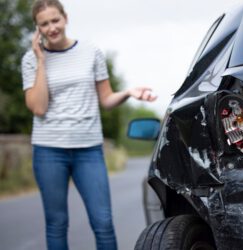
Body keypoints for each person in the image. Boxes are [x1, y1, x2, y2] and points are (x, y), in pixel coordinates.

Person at [21, 0, 157, 249]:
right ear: (37, 28)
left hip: (89, 149)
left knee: (103, 222)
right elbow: (38, 107)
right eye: (44, 24)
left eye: (55, 20)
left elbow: (105, 99)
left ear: (65, 18)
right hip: (49, 150)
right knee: (57, 223)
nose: (51, 28)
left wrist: (128, 92)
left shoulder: (90, 51)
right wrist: (41, 60)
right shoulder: (31, 60)